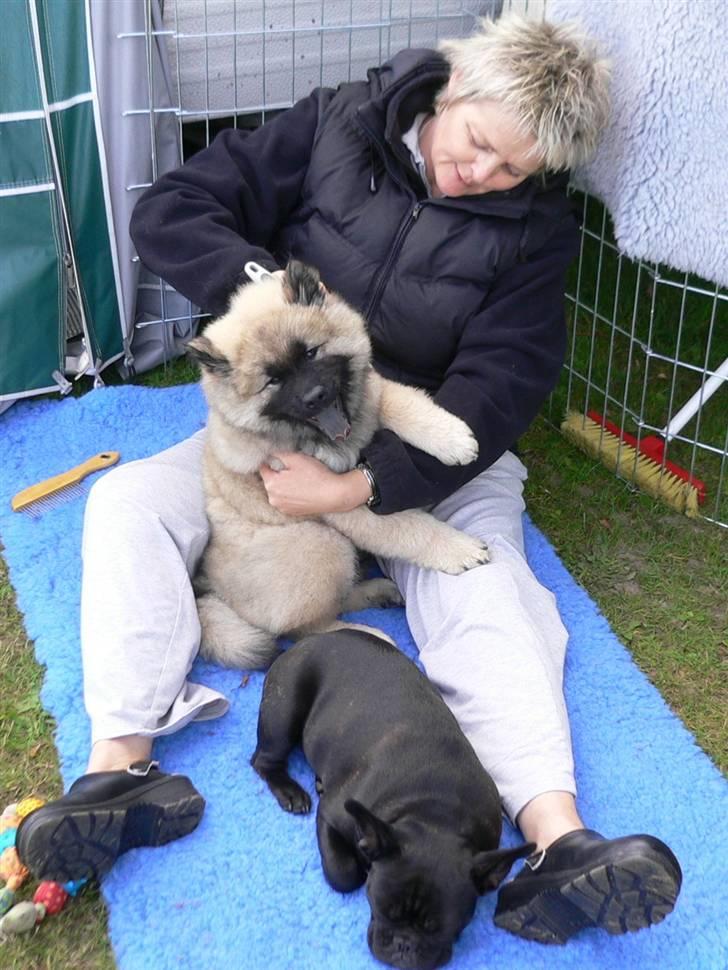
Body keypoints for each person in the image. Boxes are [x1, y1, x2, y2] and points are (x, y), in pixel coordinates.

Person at [17, 13, 681, 944]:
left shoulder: (535, 238)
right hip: (274, 439)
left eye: (513, 170)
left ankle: (556, 843)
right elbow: (172, 207)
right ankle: (120, 770)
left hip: (426, 447)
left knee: (485, 587)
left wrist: (359, 488)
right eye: (481, 145)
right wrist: (269, 302)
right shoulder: (337, 123)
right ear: (452, 90)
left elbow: (496, 393)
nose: (484, 176)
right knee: (127, 502)